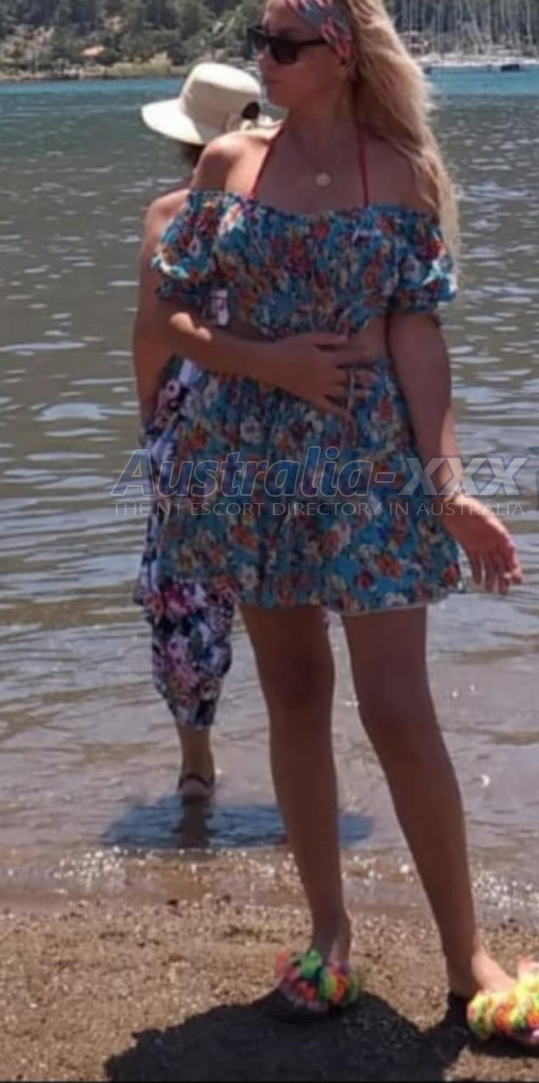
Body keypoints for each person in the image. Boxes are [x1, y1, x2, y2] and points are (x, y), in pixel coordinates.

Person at [150, 0, 539, 1050]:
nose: (263, 58)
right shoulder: (228, 164)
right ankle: (327, 939)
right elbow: (174, 318)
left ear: (341, 56)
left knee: (396, 709)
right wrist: (272, 363)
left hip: (372, 468)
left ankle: (467, 960)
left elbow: (415, 338)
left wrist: (450, 485)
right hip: (250, 458)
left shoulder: (403, 175)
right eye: (259, 39)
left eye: (282, 43)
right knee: (294, 692)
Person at [132, 61, 371, 803]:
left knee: (185, 594)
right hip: (293, 409)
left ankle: (196, 762)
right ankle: (307, 761)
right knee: (295, 586)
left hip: (197, 413)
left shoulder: (170, 213)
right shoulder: (295, 206)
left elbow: (152, 333)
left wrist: (152, 417)